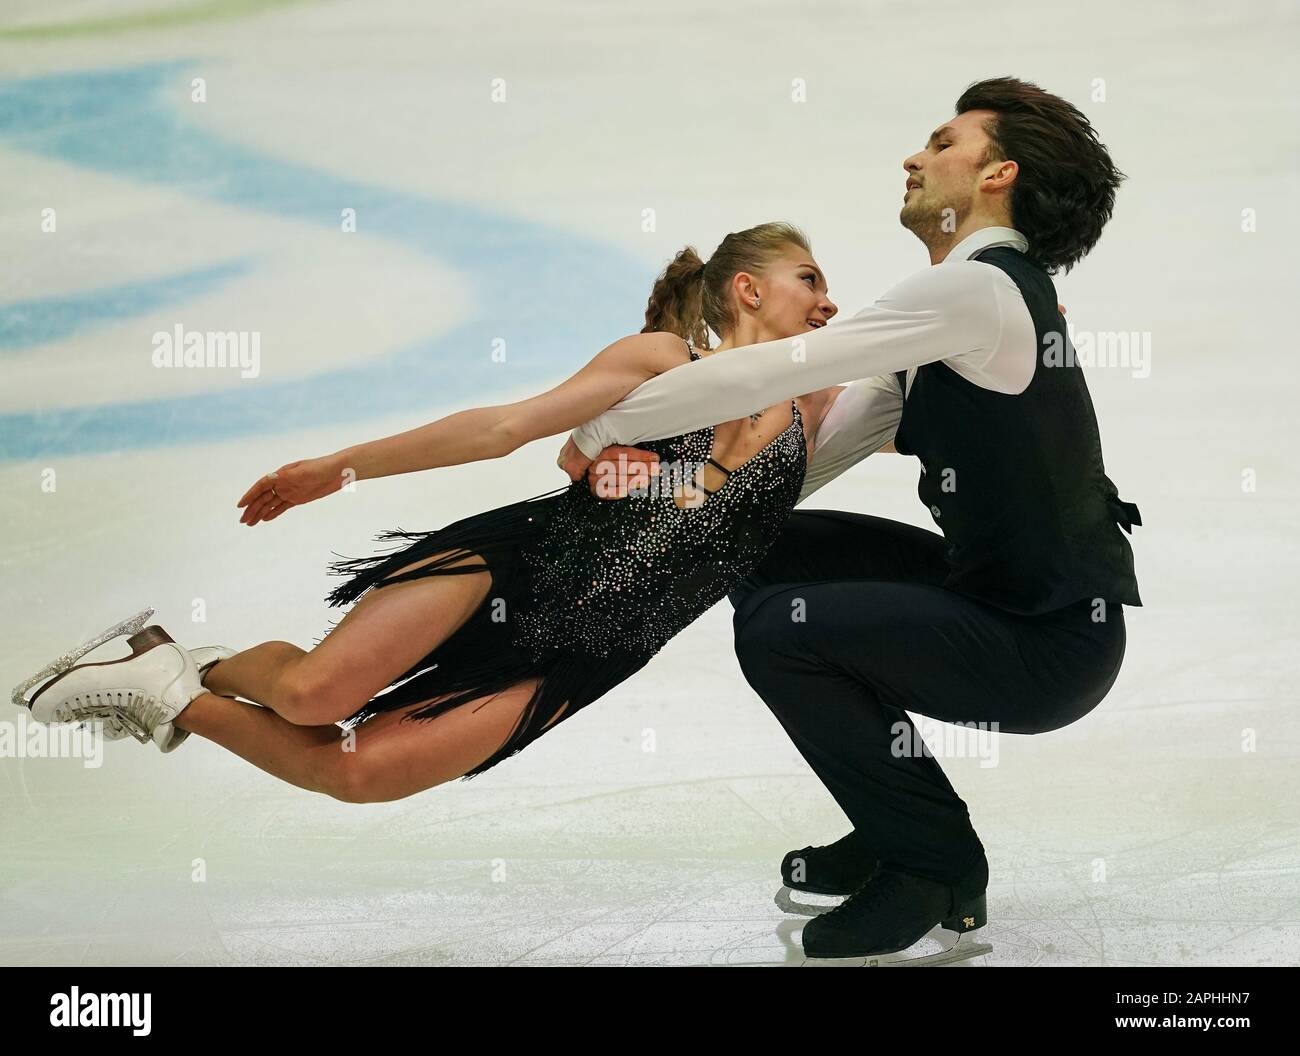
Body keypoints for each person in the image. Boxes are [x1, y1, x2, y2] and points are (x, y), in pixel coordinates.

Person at [556, 77, 1143, 959]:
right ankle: (896, 819)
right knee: (771, 556)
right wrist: (634, 492)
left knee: (784, 634)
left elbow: (770, 373)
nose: (915, 156)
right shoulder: (951, 315)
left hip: (1048, 644)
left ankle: (932, 862)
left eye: (944, 143)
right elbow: (781, 486)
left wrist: (608, 423)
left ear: (999, 174)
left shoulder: (977, 294)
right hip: (1002, 601)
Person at [17, 222, 851, 804]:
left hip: (593, 652)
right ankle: (211, 666)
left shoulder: (815, 404)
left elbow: (699, 498)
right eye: (810, 280)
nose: (829, 304)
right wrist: (340, 467)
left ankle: (163, 679)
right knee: (312, 696)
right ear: (748, 287)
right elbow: (503, 431)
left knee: (354, 773)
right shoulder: (666, 364)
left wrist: (633, 479)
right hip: (522, 567)